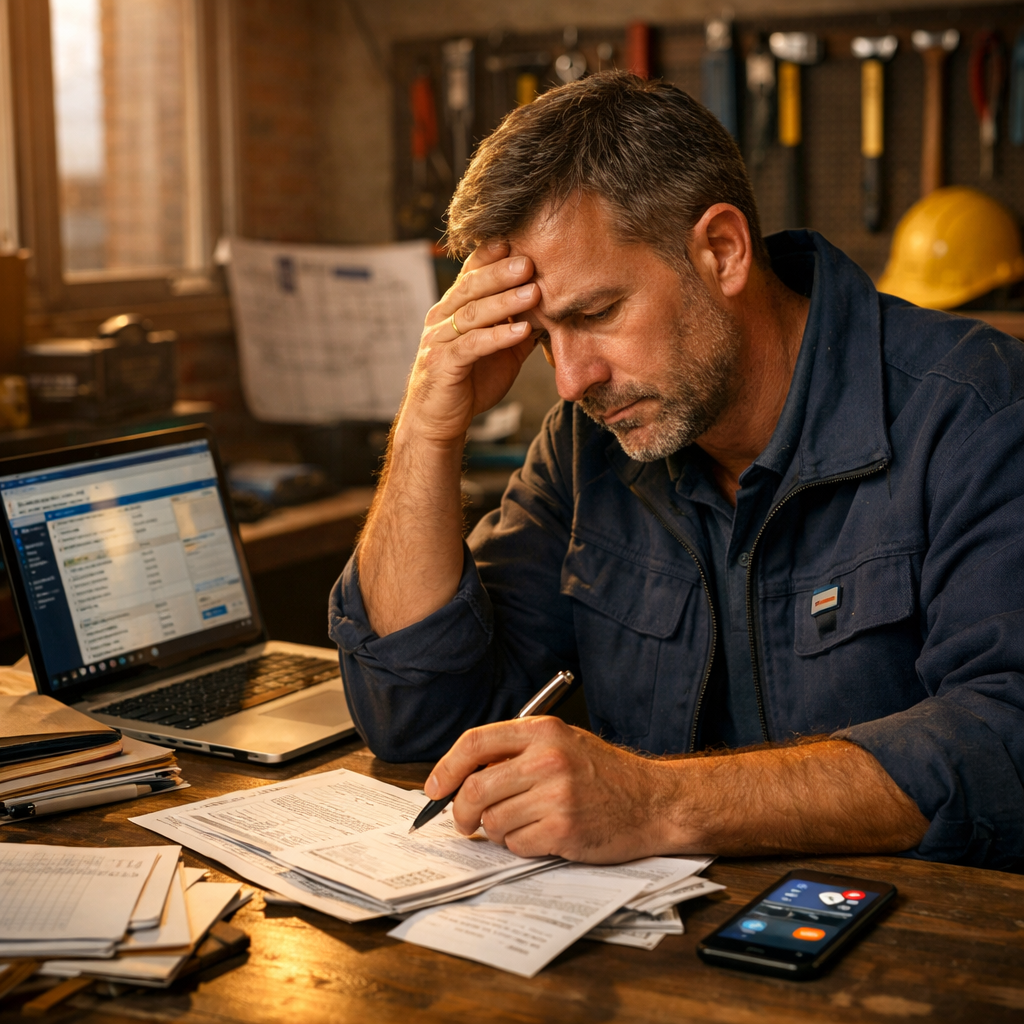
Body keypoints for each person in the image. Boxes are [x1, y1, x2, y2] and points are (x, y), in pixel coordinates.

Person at [331, 73, 1024, 870]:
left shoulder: (979, 412)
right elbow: (417, 721)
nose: (570, 380)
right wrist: (426, 425)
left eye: (594, 315)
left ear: (722, 251)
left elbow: (1004, 738)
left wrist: (657, 802)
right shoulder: (584, 447)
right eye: (543, 336)